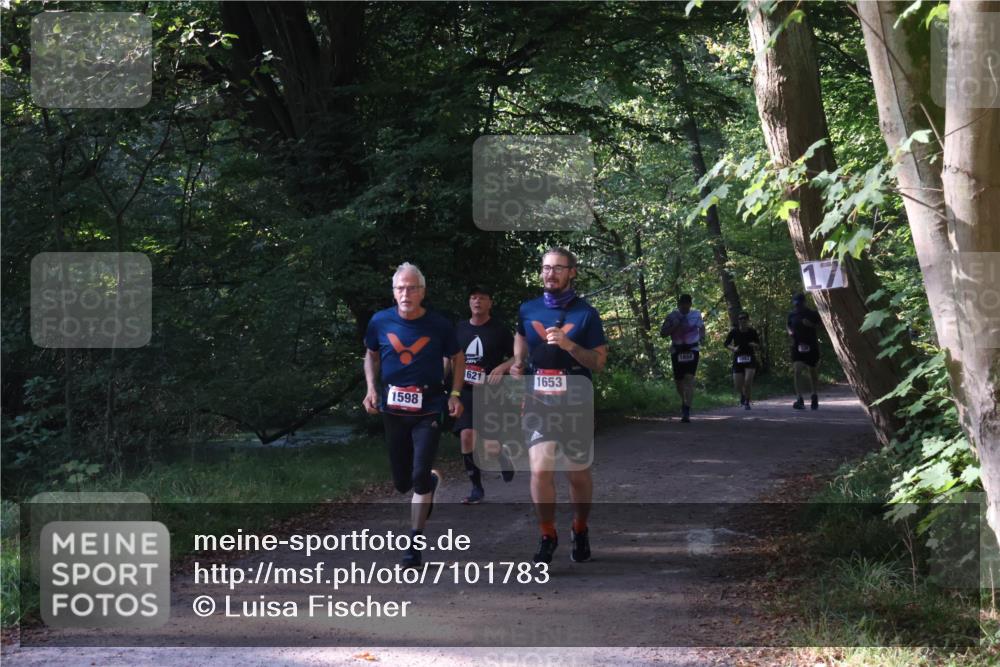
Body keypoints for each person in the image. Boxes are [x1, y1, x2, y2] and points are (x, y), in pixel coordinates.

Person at [363, 262, 465, 567]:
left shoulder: (439, 325)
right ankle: (427, 484)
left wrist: (456, 394)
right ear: (394, 292)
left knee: (418, 474)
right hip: (393, 408)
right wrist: (371, 389)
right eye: (400, 288)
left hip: (429, 406)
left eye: (411, 288)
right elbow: (371, 355)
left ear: (422, 292)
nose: (405, 293)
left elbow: (457, 358)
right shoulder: (380, 321)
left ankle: (414, 544)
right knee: (402, 483)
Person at [510, 247, 607, 564]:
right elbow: (522, 337)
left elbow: (600, 361)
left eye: (557, 268)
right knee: (540, 466)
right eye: (545, 268)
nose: (550, 273)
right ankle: (547, 533)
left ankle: (580, 528)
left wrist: (569, 345)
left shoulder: (586, 314)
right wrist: (518, 362)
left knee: (577, 473)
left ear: (572, 272)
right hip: (538, 398)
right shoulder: (528, 308)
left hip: (576, 396)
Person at [453, 285, 516, 504]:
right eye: (473, 297)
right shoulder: (459, 329)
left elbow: (517, 357)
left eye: (482, 297)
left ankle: (502, 457)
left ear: (490, 303)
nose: (477, 301)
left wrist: (502, 367)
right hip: (465, 392)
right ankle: (476, 488)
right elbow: (449, 358)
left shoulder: (499, 330)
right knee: (467, 436)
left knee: (490, 445)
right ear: (469, 303)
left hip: (491, 392)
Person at [659, 294, 706, 423]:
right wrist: (674, 326)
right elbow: (662, 333)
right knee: (679, 382)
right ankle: (684, 400)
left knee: (689, 378)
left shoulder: (696, 314)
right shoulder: (672, 316)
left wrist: (702, 337)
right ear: (678, 305)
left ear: (690, 304)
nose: (685, 307)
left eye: (687, 304)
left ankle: (686, 409)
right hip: (677, 350)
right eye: (682, 305)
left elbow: (701, 328)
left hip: (692, 349)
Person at [787, 292, 821, 410]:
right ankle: (799, 399)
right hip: (797, 346)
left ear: (804, 303)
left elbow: (821, 326)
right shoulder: (791, 314)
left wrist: (810, 324)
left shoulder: (812, 314)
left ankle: (814, 395)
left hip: (811, 346)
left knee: (812, 371)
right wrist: (790, 332)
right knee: (797, 371)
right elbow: (789, 326)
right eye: (796, 304)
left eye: (799, 304)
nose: (798, 306)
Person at [724, 311, 762, 410]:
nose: (743, 320)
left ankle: (747, 402)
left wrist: (754, 345)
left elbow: (758, 345)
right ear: (738, 321)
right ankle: (743, 395)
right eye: (741, 319)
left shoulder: (752, 331)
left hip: (750, 358)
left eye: (745, 318)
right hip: (738, 359)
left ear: (748, 320)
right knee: (738, 385)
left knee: (748, 381)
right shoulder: (734, 332)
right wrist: (733, 349)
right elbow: (726, 344)